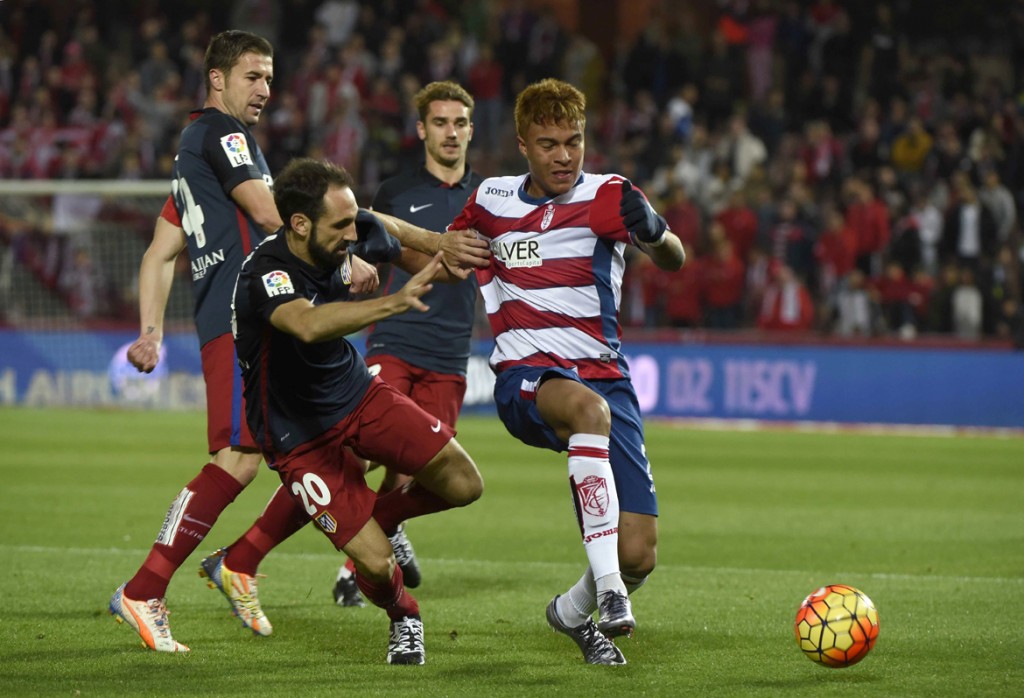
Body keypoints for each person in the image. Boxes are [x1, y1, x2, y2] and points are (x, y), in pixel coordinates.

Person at [108, 30, 381, 653]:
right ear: (217, 79)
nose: (265, 89)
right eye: (253, 76)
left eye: (269, 77)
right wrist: (342, 262)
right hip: (245, 319)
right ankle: (144, 587)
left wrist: (150, 331)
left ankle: (241, 561)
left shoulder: (191, 155)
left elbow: (158, 255)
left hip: (264, 323)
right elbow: (268, 213)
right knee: (239, 456)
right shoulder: (223, 137)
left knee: (337, 454)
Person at [449, 78, 685, 665]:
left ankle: (573, 612)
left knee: (640, 554)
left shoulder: (609, 195)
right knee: (585, 411)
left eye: (573, 141)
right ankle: (609, 595)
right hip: (525, 377)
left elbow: (674, 256)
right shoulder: (491, 200)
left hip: (604, 375)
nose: (563, 155)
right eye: (549, 143)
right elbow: (448, 251)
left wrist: (655, 232)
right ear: (523, 144)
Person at [232, 156, 484, 664]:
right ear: (299, 224)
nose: (354, 233)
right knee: (373, 562)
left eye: (351, 220)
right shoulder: (267, 273)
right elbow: (305, 324)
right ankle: (405, 618)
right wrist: (394, 301)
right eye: (340, 225)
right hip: (296, 434)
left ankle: (365, 519)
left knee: (464, 484)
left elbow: (378, 221)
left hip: (357, 395)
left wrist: (439, 244)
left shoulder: (340, 233)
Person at [332, 80, 483, 607]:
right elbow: (366, 254)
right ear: (422, 129)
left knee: (426, 469)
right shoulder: (395, 194)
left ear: (471, 129)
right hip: (394, 340)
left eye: (459, 123)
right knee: (358, 450)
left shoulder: (488, 198)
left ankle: (381, 528)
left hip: (449, 355)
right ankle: (355, 565)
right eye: (440, 122)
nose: (450, 132)